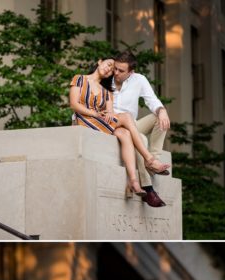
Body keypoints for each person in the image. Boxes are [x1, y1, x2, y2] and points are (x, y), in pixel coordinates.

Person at [69, 57, 169, 197]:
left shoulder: (106, 89)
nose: (113, 71)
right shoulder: (79, 79)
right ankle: (150, 161)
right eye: (111, 66)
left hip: (107, 122)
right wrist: (95, 113)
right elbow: (74, 104)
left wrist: (162, 110)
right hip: (88, 120)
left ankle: (133, 182)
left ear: (131, 72)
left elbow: (110, 110)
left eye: (115, 70)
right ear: (99, 61)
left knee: (128, 132)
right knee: (128, 119)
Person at [112, 51, 171, 209]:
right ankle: (148, 188)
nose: (116, 72)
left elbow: (152, 101)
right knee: (141, 139)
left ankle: (153, 162)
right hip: (113, 125)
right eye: (115, 68)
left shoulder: (139, 80)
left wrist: (162, 110)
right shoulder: (106, 78)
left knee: (160, 117)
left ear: (131, 72)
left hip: (131, 123)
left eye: (121, 71)